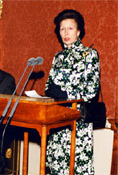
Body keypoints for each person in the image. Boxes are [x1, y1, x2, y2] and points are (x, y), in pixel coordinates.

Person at [45, 9, 100, 174]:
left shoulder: (89, 55)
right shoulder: (58, 57)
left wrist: (65, 94)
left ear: (78, 31)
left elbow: (91, 91)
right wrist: (53, 91)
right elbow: (49, 86)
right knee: (56, 169)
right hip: (57, 122)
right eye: (62, 29)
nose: (65, 33)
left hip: (77, 125)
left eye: (70, 28)